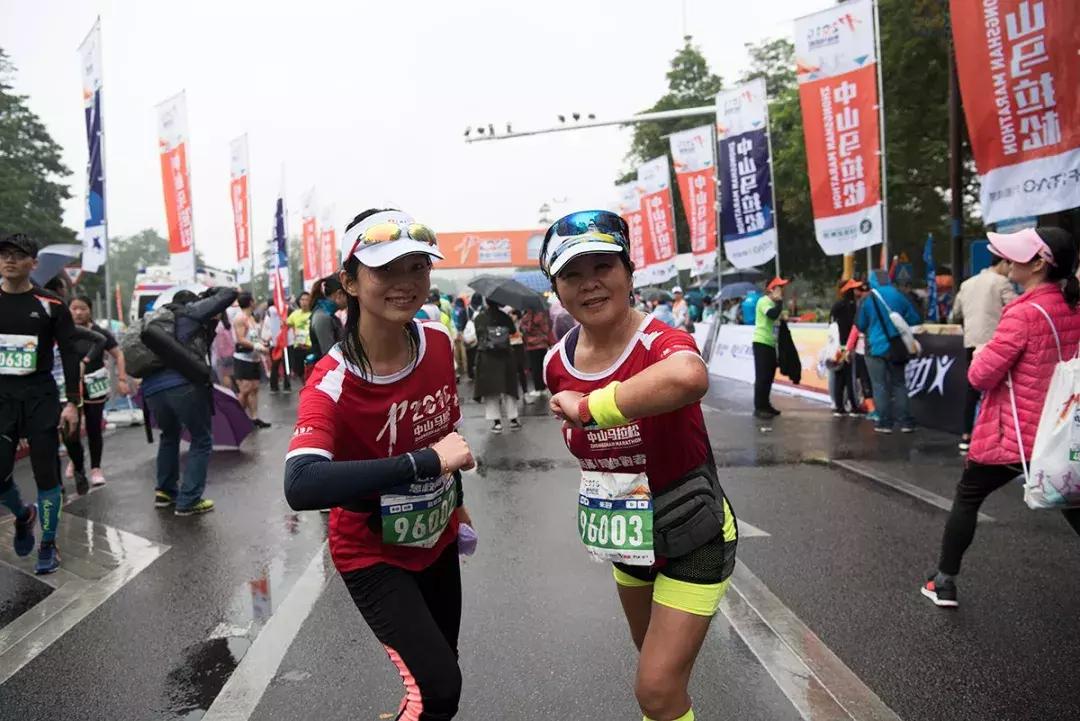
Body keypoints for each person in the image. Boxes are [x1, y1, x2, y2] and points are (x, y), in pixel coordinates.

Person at [540, 211, 737, 721]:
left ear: (629, 272)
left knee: (655, 687)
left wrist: (590, 407)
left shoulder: (658, 341)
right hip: (627, 539)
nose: (589, 283)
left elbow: (689, 376)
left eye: (603, 266)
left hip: (693, 530)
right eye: (571, 274)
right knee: (657, 681)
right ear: (556, 290)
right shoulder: (556, 363)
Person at [284, 208, 475, 721]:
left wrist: (458, 506)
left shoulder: (437, 341)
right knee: (439, 690)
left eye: (417, 267)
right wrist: (425, 462)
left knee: (440, 674)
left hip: (436, 537)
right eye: (385, 270)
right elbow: (301, 484)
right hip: (372, 550)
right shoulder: (332, 380)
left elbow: (446, 434)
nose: (405, 282)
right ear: (349, 281)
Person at [922, 227, 1080, 608]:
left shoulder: (1023, 313)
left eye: (1016, 255)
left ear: (1039, 264)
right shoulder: (1072, 307)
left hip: (1015, 434)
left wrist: (981, 355)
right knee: (1073, 500)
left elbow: (979, 377)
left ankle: (944, 582)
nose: (1007, 261)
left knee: (968, 495)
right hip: (1062, 434)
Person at [0, 234, 84, 573]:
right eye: (4, 254)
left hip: (40, 396)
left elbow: (70, 353)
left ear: (33, 263)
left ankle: (48, 543)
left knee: (46, 474)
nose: (9, 260)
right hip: (2, 398)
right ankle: (23, 516)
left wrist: (73, 403)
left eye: (18, 255)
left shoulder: (51, 304)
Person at [142, 285, 238, 516]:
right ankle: (189, 500)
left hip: (152, 388)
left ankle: (164, 492)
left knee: (169, 435)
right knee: (201, 439)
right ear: (192, 303)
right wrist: (211, 292)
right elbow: (230, 293)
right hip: (182, 384)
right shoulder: (190, 313)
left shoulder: (157, 321)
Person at [949, 254, 1016, 452]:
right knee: (999, 391)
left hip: (972, 343)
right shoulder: (1001, 282)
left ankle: (966, 435)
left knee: (972, 390)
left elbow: (955, 313)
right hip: (995, 344)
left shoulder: (967, 284)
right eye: (1010, 265)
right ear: (1003, 263)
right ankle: (996, 437)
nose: (1011, 270)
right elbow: (1017, 308)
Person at [63, 295, 129, 489]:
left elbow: (119, 355)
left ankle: (96, 468)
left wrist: (122, 379)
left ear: (90, 310)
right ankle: (75, 459)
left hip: (95, 383)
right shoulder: (64, 331)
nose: (78, 313)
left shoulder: (100, 333)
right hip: (71, 385)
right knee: (71, 427)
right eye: (74, 308)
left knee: (93, 427)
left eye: (82, 308)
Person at [855, 270, 921, 433]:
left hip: (875, 348)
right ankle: (906, 422)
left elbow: (860, 325)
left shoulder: (868, 299)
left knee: (879, 385)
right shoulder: (899, 295)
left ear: (872, 281)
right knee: (899, 384)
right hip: (897, 347)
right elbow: (914, 318)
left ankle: (885, 423)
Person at [473, 298, 521, 433]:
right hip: (505, 356)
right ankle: (513, 420)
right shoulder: (505, 316)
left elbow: (478, 335)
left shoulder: (479, 318)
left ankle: (497, 423)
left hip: (487, 358)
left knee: (491, 391)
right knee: (509, 389)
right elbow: (512, 331)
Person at [753, 278, 789, 419]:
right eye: (779, 288)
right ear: (771, 289)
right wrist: (779, 302)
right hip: (761, 342)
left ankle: (766, 404)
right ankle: (759, 407)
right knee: (762, 376)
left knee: (769, 376)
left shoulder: (774, 303)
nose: (782, 291)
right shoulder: (764, 301)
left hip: (771, 343)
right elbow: (772, 314)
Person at [233, 293, 270, 428]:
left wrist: (262, 344)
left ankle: (254, 418)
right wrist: (256, 346)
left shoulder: (251, 317)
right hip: (243, 358)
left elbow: (254, 337)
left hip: (254, 358)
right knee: (245, 390)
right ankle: (236, 418)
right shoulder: (240, 318)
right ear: (251, 302)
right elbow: (240, 339)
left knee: (254, 388)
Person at [829, 280, 861, 417]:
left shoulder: (837, 306)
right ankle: (853, 406)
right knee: (850, 377)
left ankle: (839, 406)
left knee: (839, 377)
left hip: (838, 347)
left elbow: (831, 324)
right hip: (849, 346)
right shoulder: (853, 306)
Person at [308, 275, 347, 368]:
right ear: (339, 294)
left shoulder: (329, 315)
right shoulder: (322, 317)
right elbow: (329, 354)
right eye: (348, 296)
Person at [519, 305, 554, 398]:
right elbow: (546, 329)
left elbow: (523, 329)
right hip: (542, 344)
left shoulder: (526, 317)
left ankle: (539, 388)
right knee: (542, 367)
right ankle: (545, 387)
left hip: (531, 346)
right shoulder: (542, 316)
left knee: (535, 367)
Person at [263, 302, 290, 394]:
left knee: (284, 365)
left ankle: (285, 385)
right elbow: (266, 331)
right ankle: (275, 386)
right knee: (276, 366)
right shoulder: (269, 316)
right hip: (275, 345)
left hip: (283, 343)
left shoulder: (284, 314)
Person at [287, 292, 312, 387]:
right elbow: (286, 325)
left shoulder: (314, 313)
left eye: (307, 299)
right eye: (302, 299)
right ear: (299, 301)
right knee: (301, 373)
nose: (304, 302)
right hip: (298, 348)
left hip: (311, 348)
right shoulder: (294, 314)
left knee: (311, 373)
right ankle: (305, 387)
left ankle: (310, 388)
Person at [451, 297, 469, 381]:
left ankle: (458, 367)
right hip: (462, 332)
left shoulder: (454, 310)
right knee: (463, 351)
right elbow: (464, 321)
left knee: (456, 351)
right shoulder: (463, 310)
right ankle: (465, 368)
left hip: (454, 332)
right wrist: (461, 331)